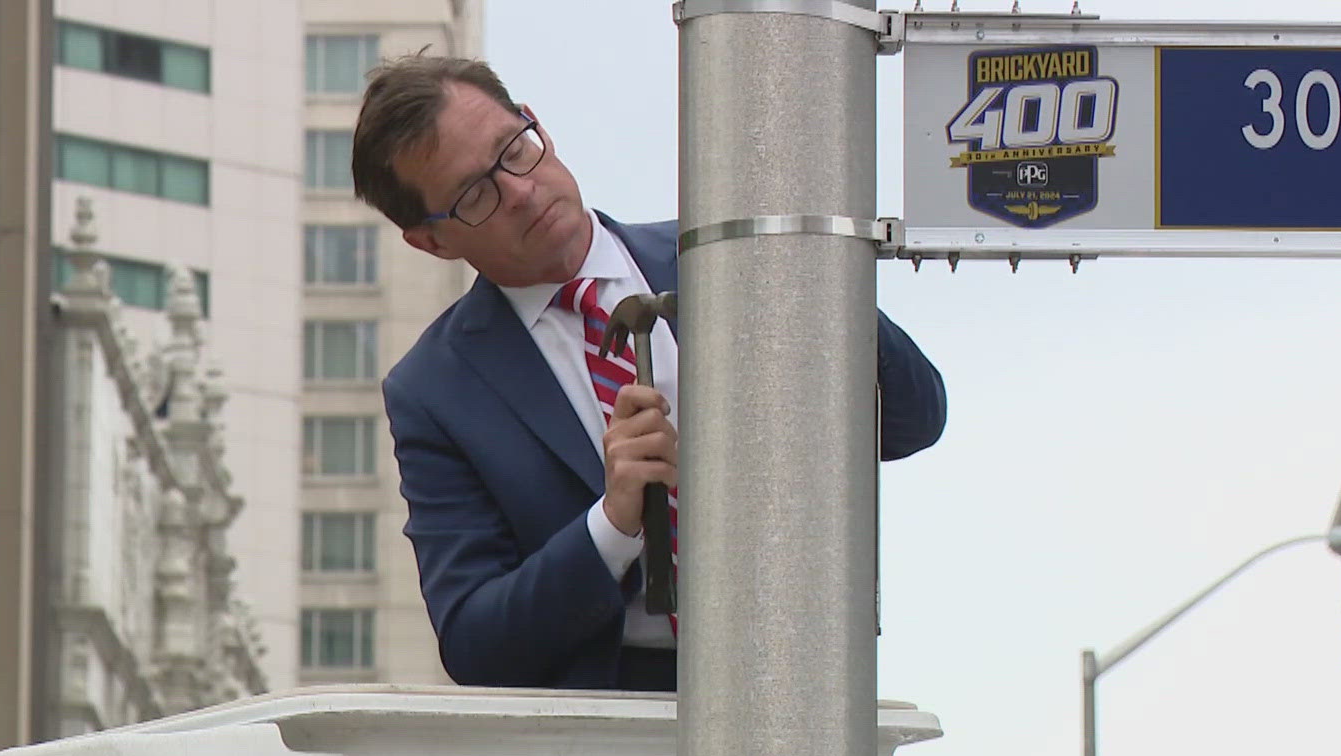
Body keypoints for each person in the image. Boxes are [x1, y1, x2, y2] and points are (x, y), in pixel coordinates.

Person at [350, 55, 946, 691]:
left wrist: (813, 260)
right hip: (610, 734)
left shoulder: (728, 257)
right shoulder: (436, 390)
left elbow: (912, 419)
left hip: (797, 688)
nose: (521, 190)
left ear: (536, 124)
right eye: (475, 194)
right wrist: (612, 524)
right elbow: (474, 644)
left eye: (515, 148)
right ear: (433, 242)